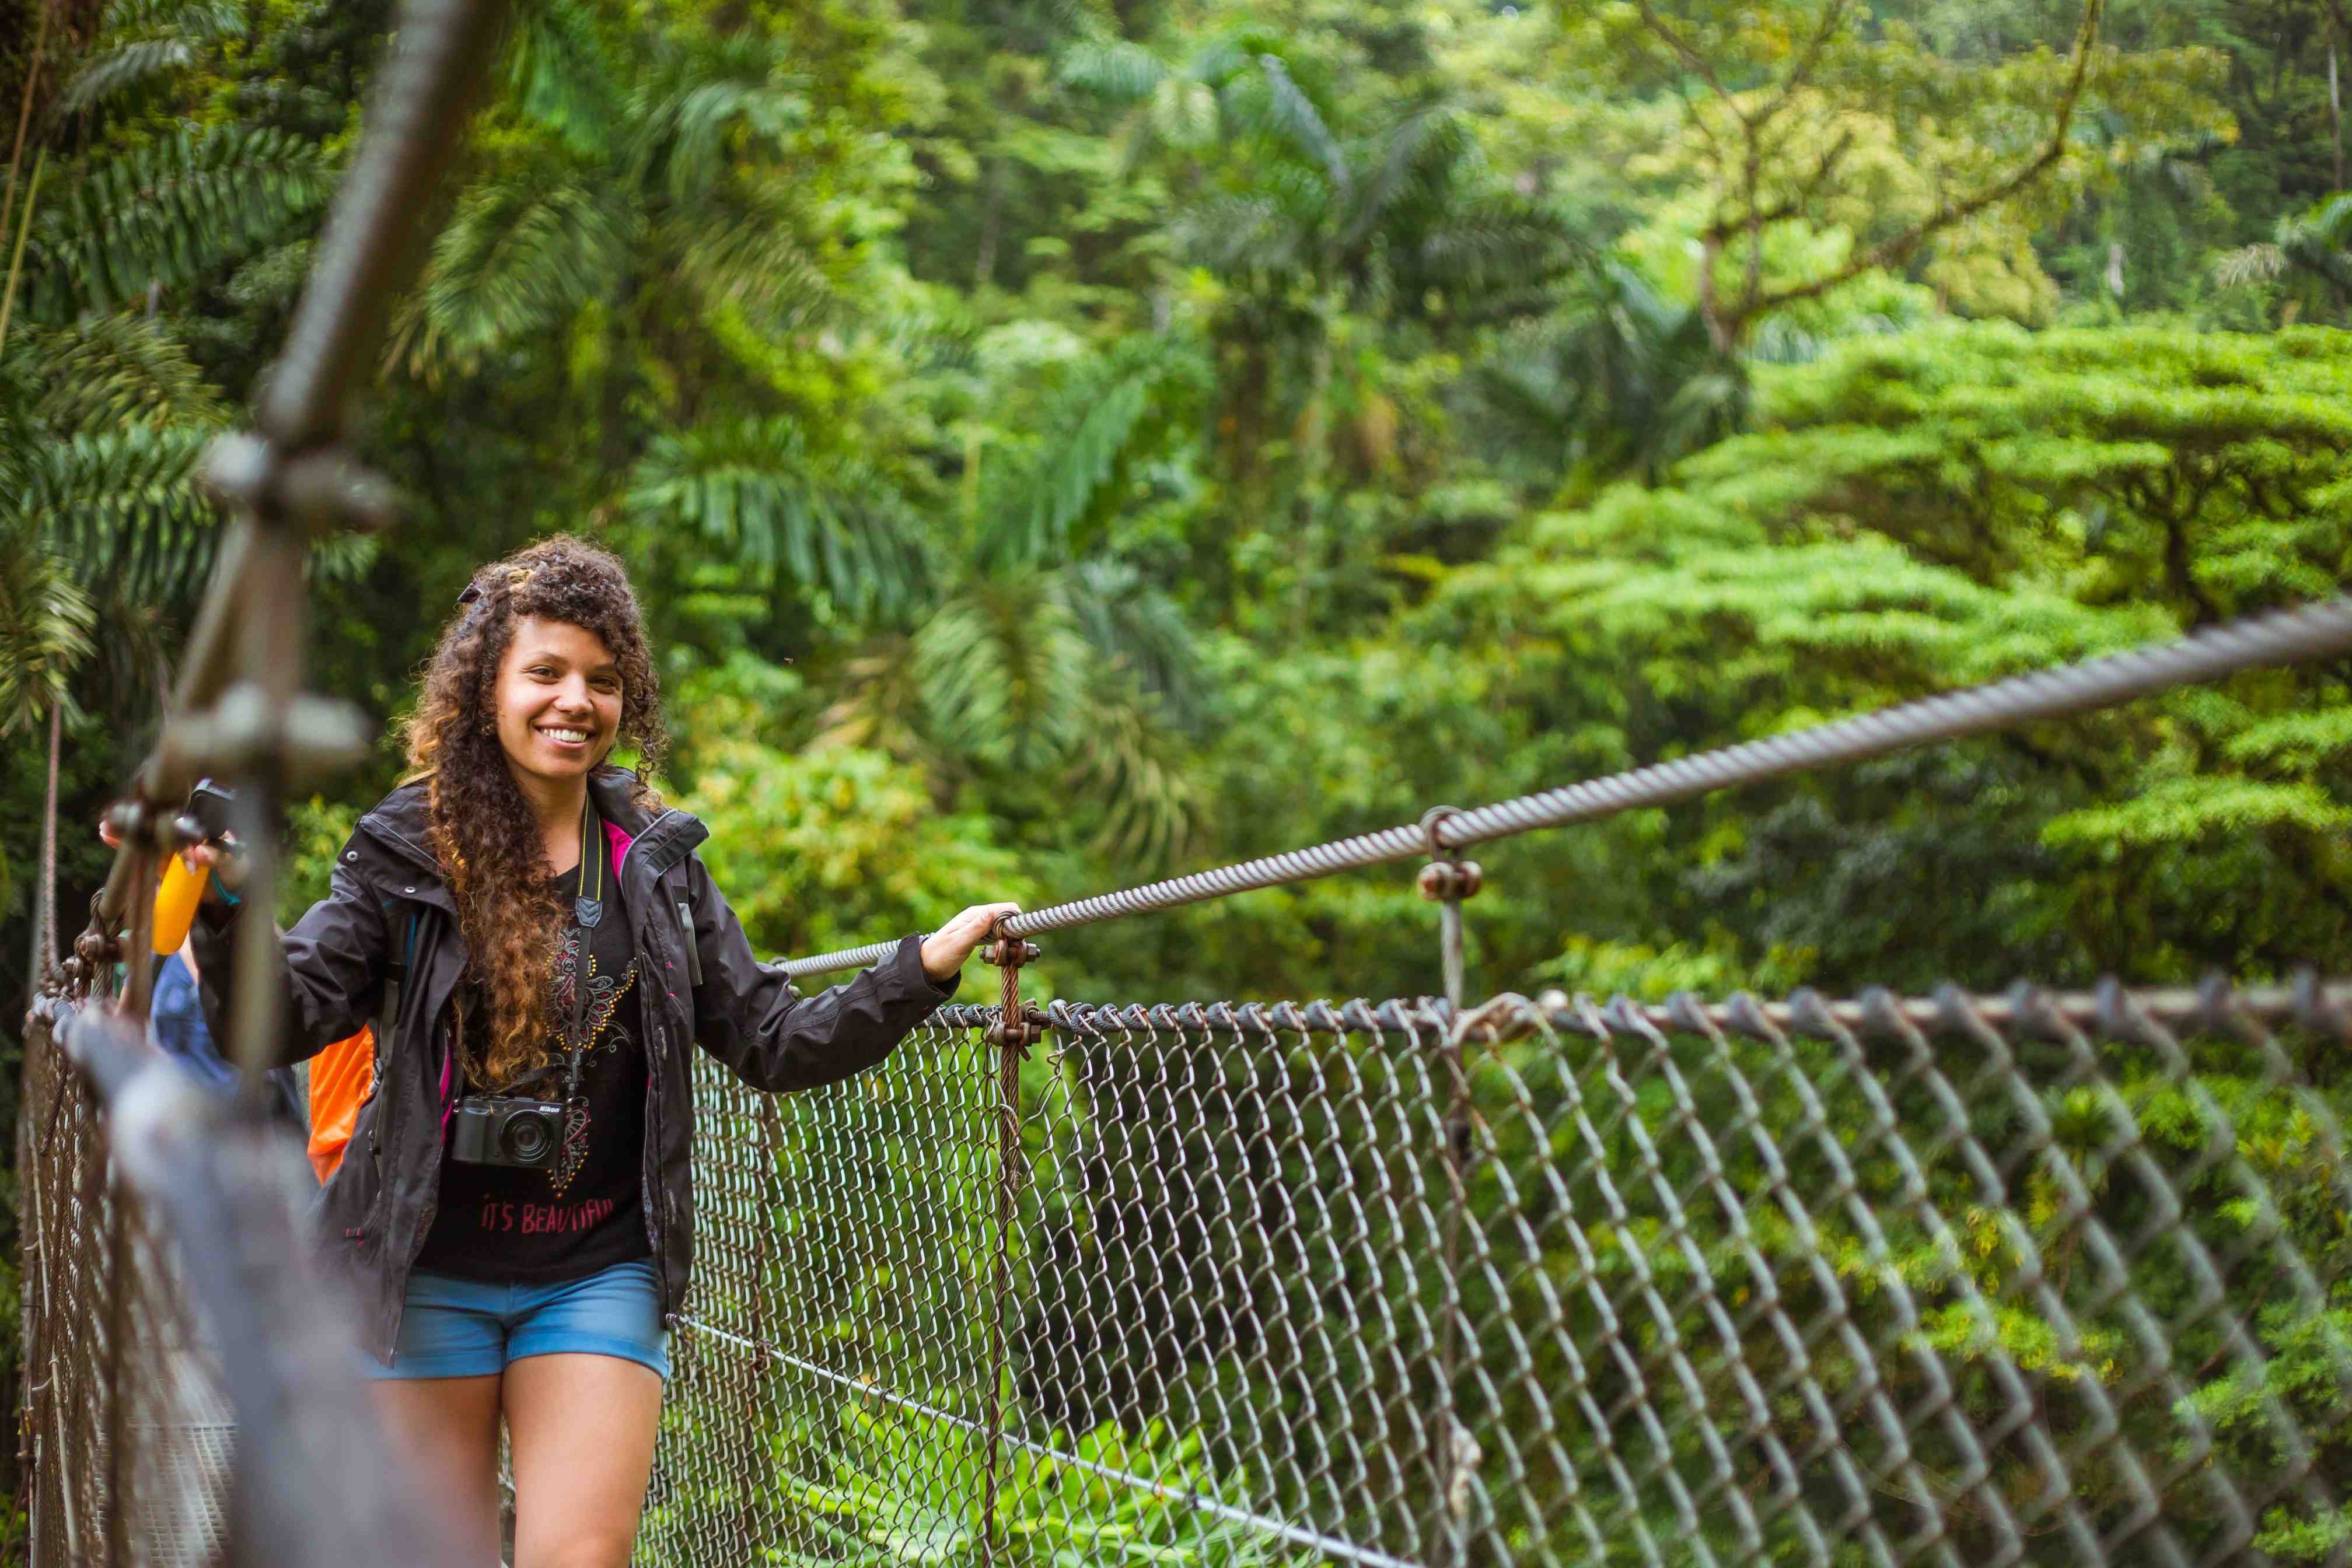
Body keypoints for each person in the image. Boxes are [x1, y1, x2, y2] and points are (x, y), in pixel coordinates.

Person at [188, 536, 1016, 1567]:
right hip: (420, 1270)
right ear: (486, 686)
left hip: (595, 1272)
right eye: (545, 673)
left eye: (603, 680)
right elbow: (278, 1019)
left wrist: (919, 968)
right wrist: (229, 906)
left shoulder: (657, 865)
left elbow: (771, 1038)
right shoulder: (408, 848)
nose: (574, 701)